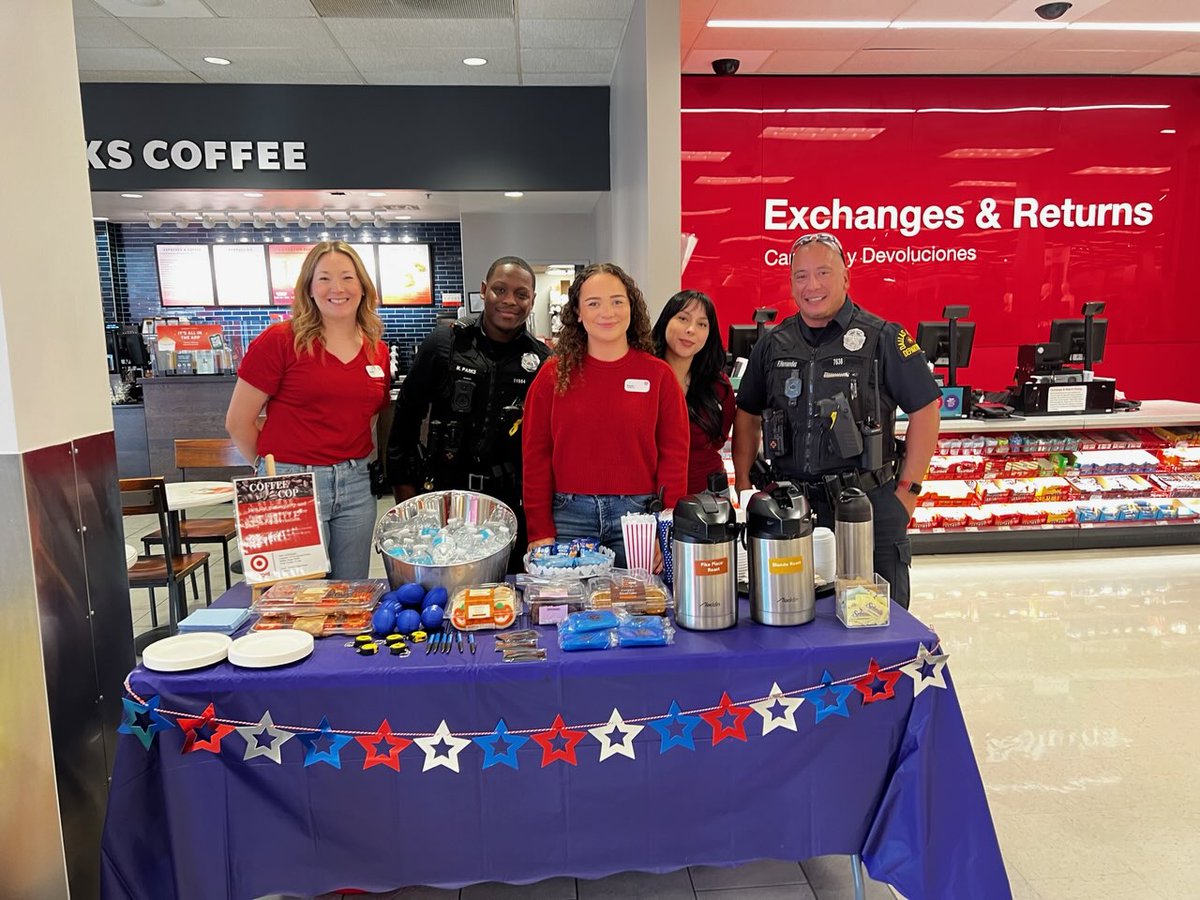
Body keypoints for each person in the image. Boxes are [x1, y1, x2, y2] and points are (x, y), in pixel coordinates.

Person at [732, 232, 940, 608]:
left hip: (868, 508)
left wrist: (907, 491)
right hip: (789, 511)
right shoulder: (772, 344)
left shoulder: (883, 338)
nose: (812, 285)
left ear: (846, 276)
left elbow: (926, 409)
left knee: (876, 626)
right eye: (801, 275)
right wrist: (745, 485)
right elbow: (746, 413)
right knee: (790, 620)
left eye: (823, 273)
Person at [225, 240, 390, 580]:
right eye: (325, 278)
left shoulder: (377, 350)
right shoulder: (280, 341)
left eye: (347, 277)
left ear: (362, 287)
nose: (337, 288)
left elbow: (367, 417)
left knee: (349, 597)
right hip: (291, 482)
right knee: (294, 601)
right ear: (309, 289)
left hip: (357, 484)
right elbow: (238, 422)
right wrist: (273, 476)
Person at [385, 256, 550, 571]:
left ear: (532, 301)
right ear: (484, 290)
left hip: (510, 503)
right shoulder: (444, 344)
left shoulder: (542, 362)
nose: (509, 301)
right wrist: (406, 497)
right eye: (500, 290)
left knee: (506, 596)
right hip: (444, 497)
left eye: (521, 294)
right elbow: (404, 422)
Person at [523, 263, 689, 569]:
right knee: (570, 612)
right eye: (593, 303)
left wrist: (667, 527)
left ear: (631, 306)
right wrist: (539, 531)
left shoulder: (658, 375)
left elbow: (674, 456)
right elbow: (535, 456)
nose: (607, 312)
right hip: (568, 517)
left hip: (639, 518)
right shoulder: (552, 375)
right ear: (577, 312)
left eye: (617, 301)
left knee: (639, 610)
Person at [652, 289, 736, 495]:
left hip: (708, 497)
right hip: (649, 498)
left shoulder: (718, 385)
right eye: (682, 318)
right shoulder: (643, 377)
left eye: (702, 324)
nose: (691, 330)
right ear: (665, 321)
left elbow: (719, 438)